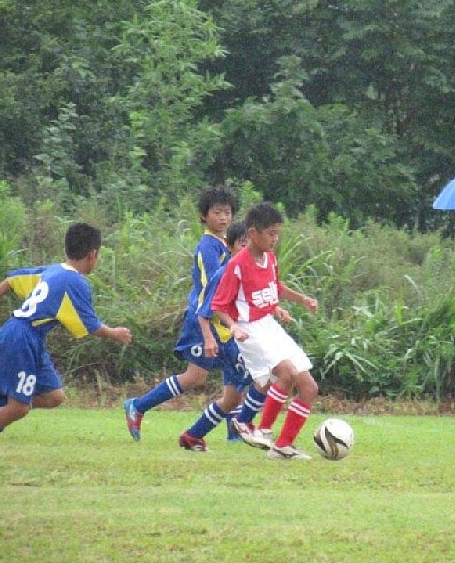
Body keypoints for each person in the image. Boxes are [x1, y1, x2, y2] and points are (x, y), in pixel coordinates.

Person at [0, 222, 133, 469]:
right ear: (93, 254)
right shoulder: (75, 281)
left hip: (25, 335)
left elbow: (12, 279)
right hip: (22, 338)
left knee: (54, 396)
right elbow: (92, 326)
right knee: (18, 407)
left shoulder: (54, 270)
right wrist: (115, 333)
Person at [123, 185, 237, 442]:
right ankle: (138, 406)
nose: (223, 218)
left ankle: (235, 432)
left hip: (222, 319)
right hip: (204, 318)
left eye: (227, 212)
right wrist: (212, 326)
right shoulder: (208, 246)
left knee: (236, 369)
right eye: (217, 212)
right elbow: (212, 287)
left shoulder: (224, 244)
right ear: (204, 216)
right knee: (196, 376)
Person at [211, 202, 319, 460]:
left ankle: (283, 445)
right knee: (286, 372)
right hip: (250, 330)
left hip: (270, 326)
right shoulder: (237, 265)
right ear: (253, 233)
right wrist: (233, 326)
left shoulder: (270, 258)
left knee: (309, 387)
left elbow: (275, 287)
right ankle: (261, 429)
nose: (275, 239)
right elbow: (219, 305)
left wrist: (301, 300)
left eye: (277, 233)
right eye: (271, 233)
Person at [176, 221, 264, 451]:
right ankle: (246, 426)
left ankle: (193, 435)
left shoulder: (253, 272)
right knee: (269, 374)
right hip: (228, 341)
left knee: (233, 398)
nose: (247, 249)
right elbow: (204, 311)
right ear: (230, 247)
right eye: (242, 244)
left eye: (250, 244)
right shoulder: (224, 274)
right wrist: (208, 338)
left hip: (241, 339)